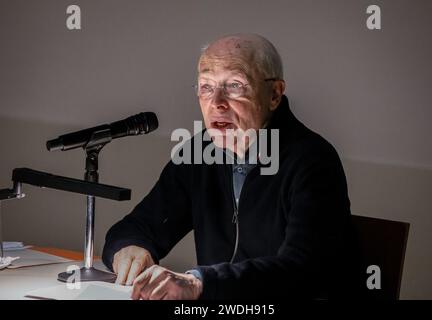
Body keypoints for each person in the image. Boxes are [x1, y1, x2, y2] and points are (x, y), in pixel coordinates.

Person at [102, 33, 358, 300]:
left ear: (274, 94)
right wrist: (129, 248)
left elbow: (301, 271)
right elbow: (137, 226)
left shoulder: (313, 160)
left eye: (235, 85)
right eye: (206, 86)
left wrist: (199, 283)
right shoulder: (198, 153)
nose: (217, 102)